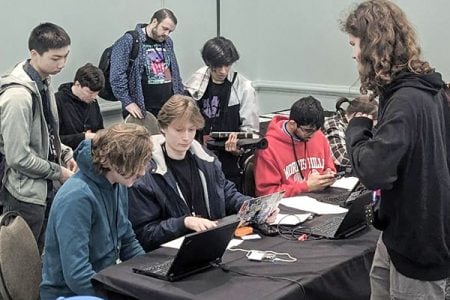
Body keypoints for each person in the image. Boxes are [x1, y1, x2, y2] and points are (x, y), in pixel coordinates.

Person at [341, 1, 450, 299]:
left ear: (372, 45)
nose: (352, 53)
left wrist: (358, 128)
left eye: (354, 44)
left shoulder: (405, 100)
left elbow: (374, 171)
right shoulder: (430, 90)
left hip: (419, 242)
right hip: (402, 235)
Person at [40, 123, 152, 299]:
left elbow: (128, 240)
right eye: (135, 165)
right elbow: (77, 275)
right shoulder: (77, 198)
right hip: (71, 293)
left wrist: (151, 277)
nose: (141, 172)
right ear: (112, 160)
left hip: (103, 280)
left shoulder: (117, 182)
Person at [128, 95, 252, 251]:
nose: (186, 137)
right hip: (170, 253)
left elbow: (225, 192)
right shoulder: (145, 173)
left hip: (212, 243)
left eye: (191, 130)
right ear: (163, 128)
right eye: (179, 130)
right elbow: (145, 234)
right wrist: (183, 223)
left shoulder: (205, 158)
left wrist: (250, 206)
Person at [0, 22, 77, 251]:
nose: (62, 64)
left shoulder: (43, 82)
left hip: (46, 188)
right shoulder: (17, 97)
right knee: (23, 268)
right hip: (25, 195)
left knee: (46, 258)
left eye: (65, 56)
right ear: (35, 54)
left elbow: (47, 134)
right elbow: (18, 157)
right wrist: (58, 172)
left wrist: (64, 153)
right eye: (55, 58)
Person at [184, 36, 259, 189]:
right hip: (197, 157)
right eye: (217, 67)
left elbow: (250, 130)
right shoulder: (195, 83)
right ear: (208, 63)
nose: (223, 71)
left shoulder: (243, 87)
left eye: (227, 65)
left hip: (229, 162)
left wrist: (239, 148)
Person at [254, 96, 336, 197]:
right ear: (292, 124)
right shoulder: (268, 148)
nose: (313, 135)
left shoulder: (319, 136)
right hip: (285, 207)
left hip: (318, 199)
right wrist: (306, 187)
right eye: (308, 130)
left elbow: (329, 168)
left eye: (316, 130)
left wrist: (328, 175)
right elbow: (267, 193)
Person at [110, 8, 183, 119]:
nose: (166, 34)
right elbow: (117, 75)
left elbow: (174, 71)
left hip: (167, 109)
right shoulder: (129, 40)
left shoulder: (167, 42)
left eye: (170, 31)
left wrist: (179, 95)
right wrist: (127, 102)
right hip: (141, 109)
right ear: (154, 22)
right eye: (164, 29)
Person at [55, 63, 105, 150]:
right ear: (77, 84)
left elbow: (99, 129)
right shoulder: (57, 101)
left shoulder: (92, 101)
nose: (94, 97)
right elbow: (53, 140)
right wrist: (83, 137)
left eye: (96, 94)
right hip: (68, 156)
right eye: (90, 93)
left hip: (91, 154)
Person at [321, 95, 377, 172]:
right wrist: (375, 161)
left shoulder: (351, 125)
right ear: (359, 115)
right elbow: (341, 157)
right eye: (373, 120)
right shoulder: (334, 125)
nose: (373, 125)